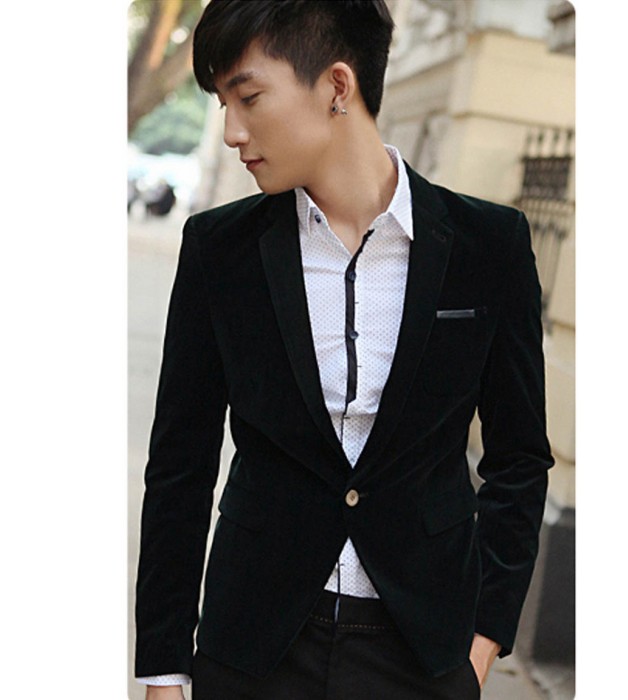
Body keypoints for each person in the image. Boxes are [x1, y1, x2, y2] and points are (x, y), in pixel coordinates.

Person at [134, 1, 554, 698]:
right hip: (252, 648)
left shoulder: (489, 247)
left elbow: (519, 459)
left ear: (336, 86)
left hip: (421, 654)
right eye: (222, 105)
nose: (232, 131)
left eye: (248, 98)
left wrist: (483, 640)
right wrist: (163, 665)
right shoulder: (219, 250)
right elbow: (180, 466)